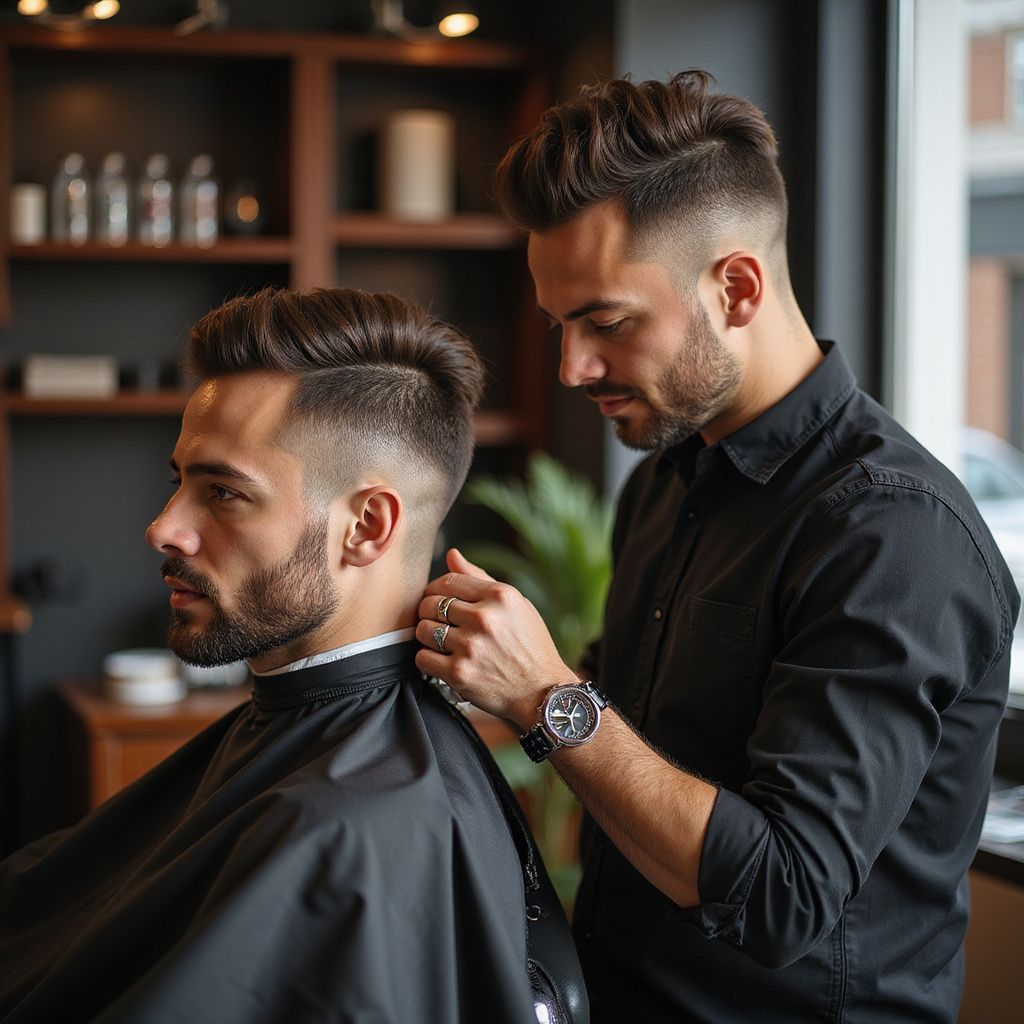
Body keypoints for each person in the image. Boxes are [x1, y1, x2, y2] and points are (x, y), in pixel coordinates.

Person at [415, 71, 1020, 1023]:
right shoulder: (666, 480)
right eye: (559, 326)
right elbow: (629, 748)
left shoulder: (894, 532)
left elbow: (781, 894)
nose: (574, 367)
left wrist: (546, 694)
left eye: (605, 322)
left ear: (734, 286)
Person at [0, 287, 581, 1024]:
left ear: (366, 527)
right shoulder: (317, 759)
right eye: (178, 482)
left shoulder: (354, 828)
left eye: (224, 493)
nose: (163, 528)